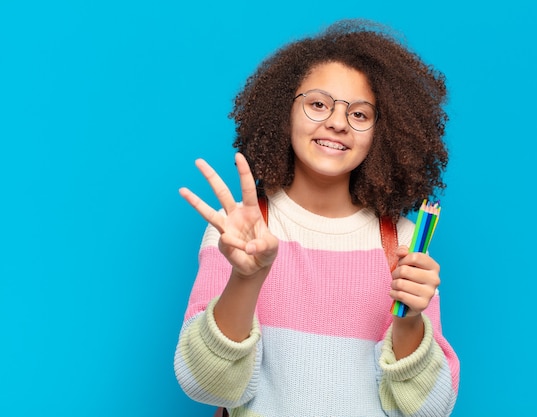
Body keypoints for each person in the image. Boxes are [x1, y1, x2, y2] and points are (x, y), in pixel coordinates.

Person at [174, 19, 460, 416]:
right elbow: (205, 385)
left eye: (360, 114)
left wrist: (410, 320)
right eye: (319, 104)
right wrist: (245, 278)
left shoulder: (403, 243)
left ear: (384, 131)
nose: (338, 122)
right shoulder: (240, 229)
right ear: (283, 110)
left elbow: (428, 410)